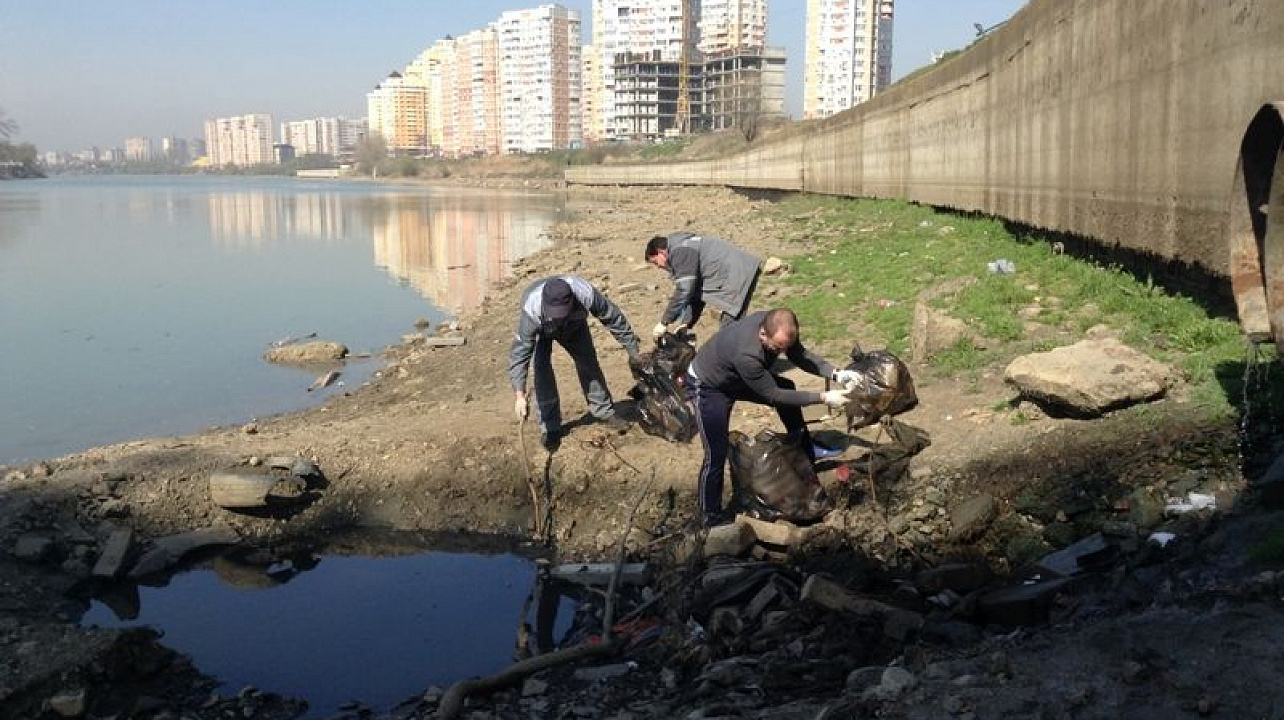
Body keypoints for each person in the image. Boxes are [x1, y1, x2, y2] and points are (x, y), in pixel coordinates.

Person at [685, 308, 862, 526]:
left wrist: (836, 373)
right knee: (716, 452)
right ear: (762, 335)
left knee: (788, 385)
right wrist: (824, 398)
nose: (781, 352)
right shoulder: (747, 354)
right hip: (710, 386)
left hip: (737, 376)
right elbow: (773, 394)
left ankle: (806, 455)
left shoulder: (778, 325)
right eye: (778, 348)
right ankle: (709, 515)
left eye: (785, 347)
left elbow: (800, 355)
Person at [509, 276, 642, 450]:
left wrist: (633, 351)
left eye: (562, 313)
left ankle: (603, 411)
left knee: (588, 361)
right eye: (555, 314)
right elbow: (520, 354)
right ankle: (550, 427)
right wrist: (519, 395)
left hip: (575, 326)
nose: (559, 319)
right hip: (542, 329)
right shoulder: (532, 310)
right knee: (542, 370)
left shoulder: (585, 293)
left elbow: (613, 318)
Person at [645, 231, 761, 339]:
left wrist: (664, 321)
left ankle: (741, 356)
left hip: (736, 274)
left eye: (656, 262)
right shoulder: (682, 247)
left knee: (729, 331)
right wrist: (686, 323)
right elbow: (695, 294)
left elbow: (684, 290)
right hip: (739, 271)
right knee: (733, 328)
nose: (659, 267)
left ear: (661, 252)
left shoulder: (680, 252)